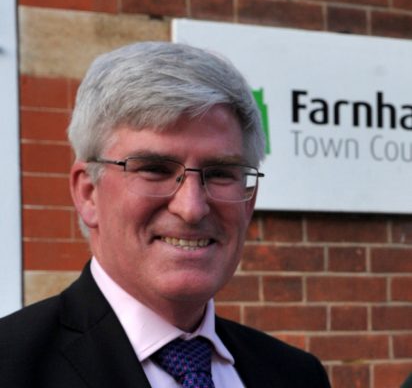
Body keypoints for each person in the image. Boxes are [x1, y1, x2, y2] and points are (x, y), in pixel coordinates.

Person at [0, 42, 330, 387]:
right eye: (154, 169)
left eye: (220, 173)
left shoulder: (296, 375)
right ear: (88, 193)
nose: (191, 208)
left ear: (249, 202)